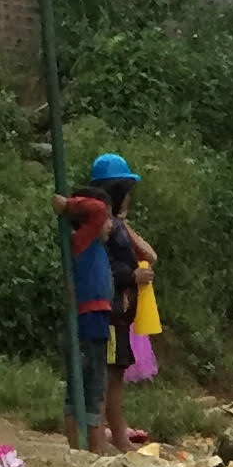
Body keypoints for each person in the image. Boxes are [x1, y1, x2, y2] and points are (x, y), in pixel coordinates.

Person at [89, 152, 151, 449]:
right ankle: (101, 436)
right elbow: (106, 266)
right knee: (108, 377)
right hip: (111, 310)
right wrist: (132, 278)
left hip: (121, 312)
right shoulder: (104, 227)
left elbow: (150, 255)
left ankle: (117, 434)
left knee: (116, 376)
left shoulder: (115, 225)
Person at [62, 185, 116, 450]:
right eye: (107, 219)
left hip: (97, 320)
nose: (110, 224)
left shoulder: (92, 245)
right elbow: (96, 209)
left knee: (94, 385)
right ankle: (88, 447)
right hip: (88, 320)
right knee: (88, 387)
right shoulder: (83, 240)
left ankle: (89, 445)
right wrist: (66, 206)